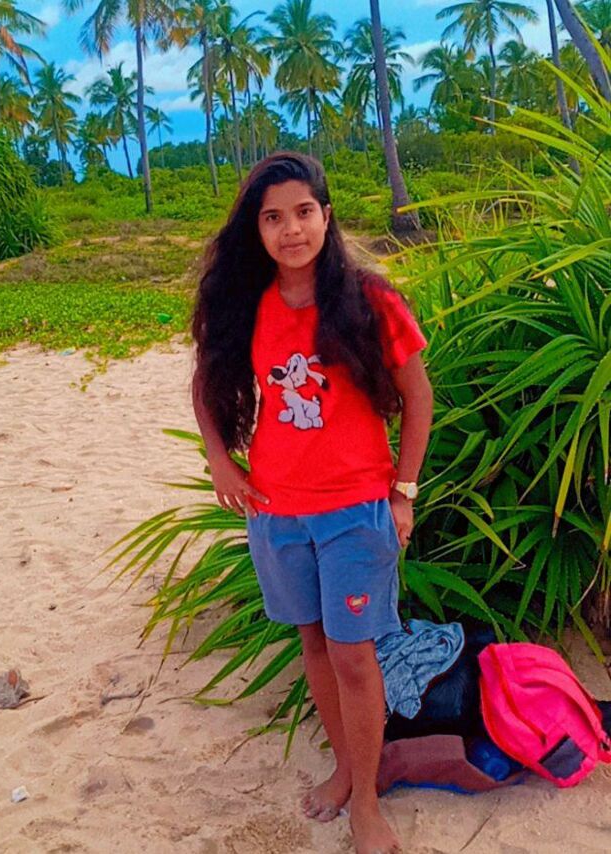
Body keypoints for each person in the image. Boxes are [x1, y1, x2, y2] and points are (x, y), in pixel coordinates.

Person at [192, 152, 433, 854]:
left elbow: (418, 396)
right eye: (273, 217)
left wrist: (404, 491)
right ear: (258, 229)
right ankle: (347, 772)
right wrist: (220, 460)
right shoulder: (248, 302)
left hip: (356, 510)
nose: (290, 229)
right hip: (277, 512)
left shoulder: (369, 299)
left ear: (327, 217)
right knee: (316, 645)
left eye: (303, 212)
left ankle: (368, 804)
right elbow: (207, 384)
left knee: (355, 655)